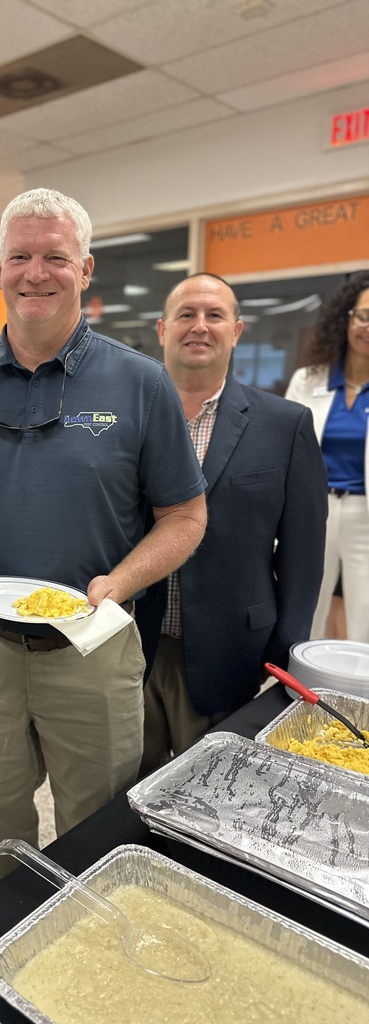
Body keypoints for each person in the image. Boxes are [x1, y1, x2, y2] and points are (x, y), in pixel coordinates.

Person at [0, 188, 207, 885]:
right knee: (0, 822)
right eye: (20, 256)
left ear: (86, 269)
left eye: (54, 257)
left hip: (91, 653)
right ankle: (9, 947)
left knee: (95, 826)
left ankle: (89, 958)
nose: (35, 273)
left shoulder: (140, 384)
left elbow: (186, 517)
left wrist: (119, 584)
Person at [135, 274, 328, 777]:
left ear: (236, 330)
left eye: (214, 315)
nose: (200, 326)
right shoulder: (128, 419)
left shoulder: (285, 425)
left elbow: (304, 554)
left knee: (217, 798)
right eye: (186, 315)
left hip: (232, 654)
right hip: (130, 648)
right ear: (162, 329)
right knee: (122, 798)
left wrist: (287, 659)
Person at [285, 272, 369, 642]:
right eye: (364, 315)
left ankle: (358, 699)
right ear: (347, 319)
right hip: (314, 512)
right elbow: (284, 450)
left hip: (365, 516)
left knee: (364, 619)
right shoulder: (309, 378)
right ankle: (298, 694)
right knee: (305, 608)